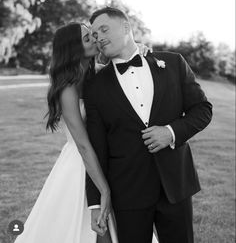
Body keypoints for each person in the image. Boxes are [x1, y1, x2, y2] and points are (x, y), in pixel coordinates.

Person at [14, 22, 152, 243]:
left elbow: (126, 65)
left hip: (107, 158)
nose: (96, 40)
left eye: (94, 35)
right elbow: (83, 145)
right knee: (94, 230)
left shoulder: (97, 74)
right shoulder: (66, 89)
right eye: (88, 38)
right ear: (73, 49)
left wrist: (139, 48)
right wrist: (103, 190)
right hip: (81, 164)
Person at [84, 7, 213, 243]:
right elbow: (96, 149)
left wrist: (171, 132)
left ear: (126, 27)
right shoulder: (94, 87)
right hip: (128, 192)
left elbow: (203, 110)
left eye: (104, 29)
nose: (99, 38)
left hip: (176, 185)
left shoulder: (173, 63)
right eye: (94, 34)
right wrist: (95, 202)